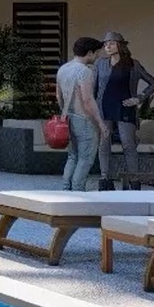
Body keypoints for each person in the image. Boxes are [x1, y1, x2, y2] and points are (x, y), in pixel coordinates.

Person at [93, 32, 154, 190]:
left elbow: (153, 83)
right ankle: (105, 178)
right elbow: (94, 88)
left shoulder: (133, 64)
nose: (107, 47)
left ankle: (134, 179)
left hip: (125, 108)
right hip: (104, 108)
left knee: (128, 144)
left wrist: (139, 98)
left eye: (111, 43)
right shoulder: (100, 64)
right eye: (105, 44)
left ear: (120, 45)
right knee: (104, 143)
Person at [56, 37, 108, 192]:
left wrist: (64, 114)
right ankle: (78, 191)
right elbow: (88, 100)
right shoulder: (85, 72)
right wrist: (100, 123)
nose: (97, 56)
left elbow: (58, 96)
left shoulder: (63, 69)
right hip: (84, 119)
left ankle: (66, 189)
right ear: (90, 52)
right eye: (96, 53)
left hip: (68, 117)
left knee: (73, 156)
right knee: (85, 158)